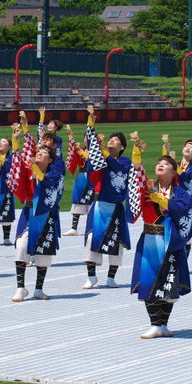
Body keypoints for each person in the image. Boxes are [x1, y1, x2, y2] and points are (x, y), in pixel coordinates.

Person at [129, 145, 192, 339]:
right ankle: (155, 323)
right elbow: (135, 179)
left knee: (169, 282)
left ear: (174, 172)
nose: (161, 165)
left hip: (170, 242)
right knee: (149, 281)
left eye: (166, 164)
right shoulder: (147, 187)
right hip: (150, 240)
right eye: (159, 163)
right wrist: (137, 156)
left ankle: (163, 324)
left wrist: (162, 201)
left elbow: (185, 208)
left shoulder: (180, 193)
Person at [10, 112, 65, 302]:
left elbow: (49, 184)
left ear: (50, 160)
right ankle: (20, 287)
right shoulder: (28, 170)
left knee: (44, 253)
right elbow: (15, 164)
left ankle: (38, 288)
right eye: (37, 153)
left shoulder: (55, 171)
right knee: (21, 246)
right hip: (29, 211)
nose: (38, 154)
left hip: (46, 214)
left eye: (43, 154)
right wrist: (17, 140)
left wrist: (35, 169)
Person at [82, 108, 132, 289]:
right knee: (91, 239)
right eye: (110, 140)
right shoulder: (102, 160)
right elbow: (95, 166)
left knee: (117, 242)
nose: (111, 142)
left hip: (116, 207)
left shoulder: (125, 162)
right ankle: (91, 276)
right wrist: (91, 130)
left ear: (122, 147)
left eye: (115, 141)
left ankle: (111, 277)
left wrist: (100, 147)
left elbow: (113, 163)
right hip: (99, 205)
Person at [163, 136, 192, 256]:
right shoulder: (175, 164)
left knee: (185, 231)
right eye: (186, 146)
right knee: (170, 229)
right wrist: (165, 150)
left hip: (185, 204)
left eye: (191, 147)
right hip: (172, 202)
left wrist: (173, 165)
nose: (188, 148)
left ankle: (183, 262)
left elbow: (186, 177)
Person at [62, 124, 95, 237]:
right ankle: (73, 228)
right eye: (85, 137)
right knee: (77, 201)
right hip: (81, 177)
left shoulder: (98, 151)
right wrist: (71, 137)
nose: (86, 139)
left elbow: (91, 160)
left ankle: (92, 227)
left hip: (93, 177)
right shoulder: (81, 149)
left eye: (89, 137)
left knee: (92, 203)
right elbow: (73, 148)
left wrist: (80, 152)